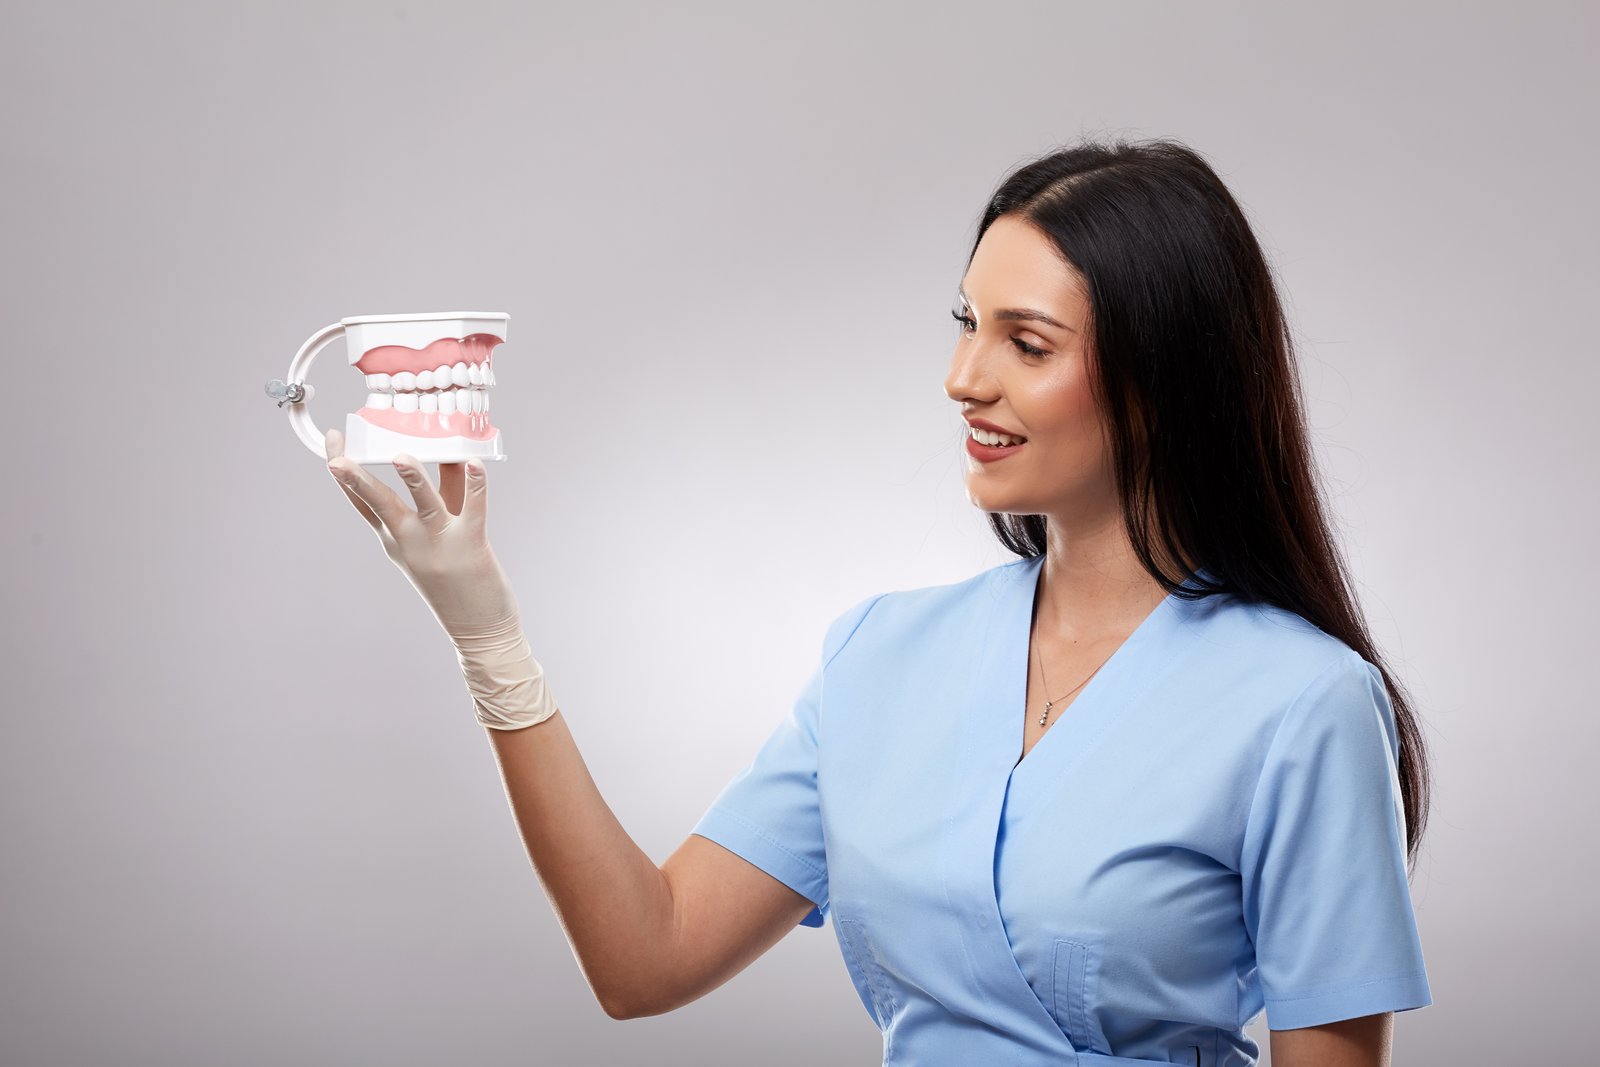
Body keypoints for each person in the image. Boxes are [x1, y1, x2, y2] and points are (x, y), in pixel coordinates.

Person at [322, 137, 1433, 1067]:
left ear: (1164, 378)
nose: (964, 375)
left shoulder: (1305, 704)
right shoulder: (881, 655)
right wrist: (486, 631)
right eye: (966, 321)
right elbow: (643, 955)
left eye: (1026, 342)